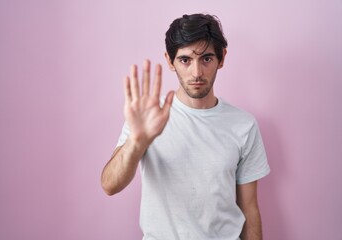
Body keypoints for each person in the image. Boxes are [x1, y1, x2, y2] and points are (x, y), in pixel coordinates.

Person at [101, 13, 270, 240]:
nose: (197, 72)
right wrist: (137, 142)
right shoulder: (149, 116)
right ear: (170, 61)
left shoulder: (244, 125)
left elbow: (249, 208)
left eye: (207, 59)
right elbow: (109, 186)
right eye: (185, 60)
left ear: (222, 58)